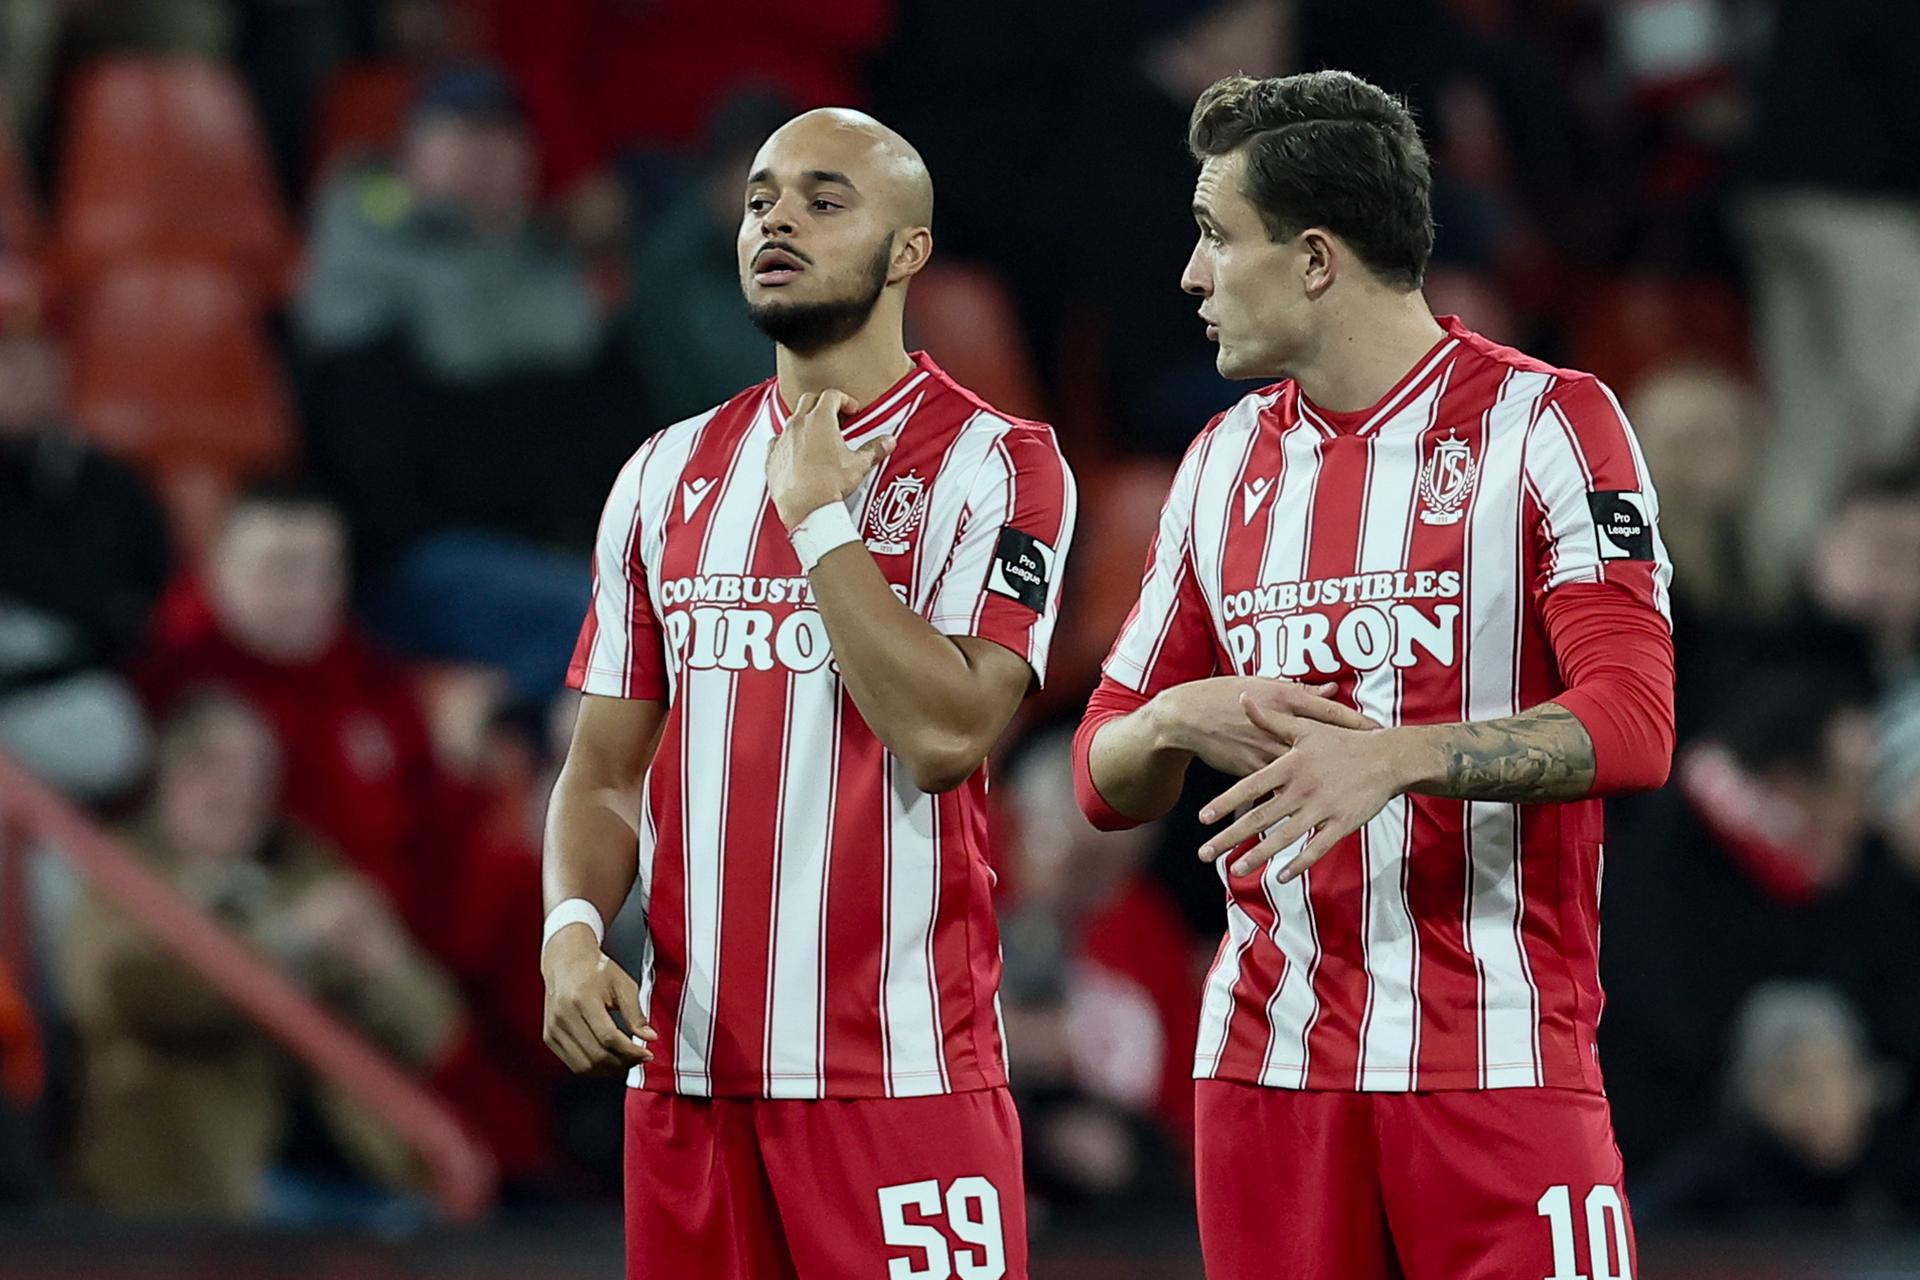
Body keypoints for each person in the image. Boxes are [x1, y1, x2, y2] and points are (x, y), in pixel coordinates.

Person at [1073, 71, 1675, 1280]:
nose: (1190, 276)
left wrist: (1396, 759)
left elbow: (1634, 723)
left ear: (1314, 259)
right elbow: (1102, 773)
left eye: (1215, 235)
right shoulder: (1219, 460)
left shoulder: (1549, 424)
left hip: (1497, 1059)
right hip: (1269, 1072)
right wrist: (1178, 714)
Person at [540, 108, 1076, 1279]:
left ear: (908, 250)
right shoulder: (662, 473)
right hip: (687, 1084)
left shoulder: (1000, 462)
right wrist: (571, 932)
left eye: (825, 201)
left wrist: (820, 519)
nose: (776, 219)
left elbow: (945, 732)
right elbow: (603, 770)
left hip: (900, 1079)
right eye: (760, 199)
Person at [61, 692, 466, 1217]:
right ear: (169, 770)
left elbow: (432, 1029)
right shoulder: (121, 872)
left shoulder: (299, 866)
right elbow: (135, 994)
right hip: (192, 1179)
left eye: (259, 769)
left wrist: (386, 966)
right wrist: (292, 942)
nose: (240, 788)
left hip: (357, 1169)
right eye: (213, 762)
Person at [0, 325, 169, 801]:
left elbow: (146, 596)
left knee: (113, 736)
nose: (17, 376)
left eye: (31, 358)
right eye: (5, 361)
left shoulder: (104, 483)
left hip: (62, 696)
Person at [1634, 982, 1897, 1230]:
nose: (1827, 1101)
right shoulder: (1706, 1187)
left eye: (1841, 1075)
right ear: (1755, 1089)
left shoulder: (1876, 1185)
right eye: (1798, 1079)